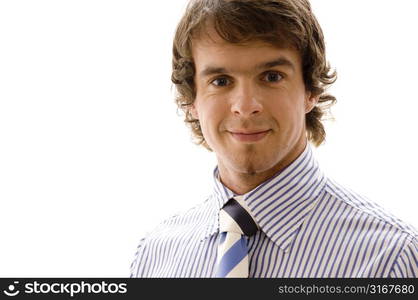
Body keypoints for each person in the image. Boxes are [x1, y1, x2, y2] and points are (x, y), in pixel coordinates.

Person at [130, 0, 418, 278]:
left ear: (310, 90)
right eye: (220, 81)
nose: (245, 105)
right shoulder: (154, 257)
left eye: (271, 76)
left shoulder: (391, 259)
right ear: (192, 99)